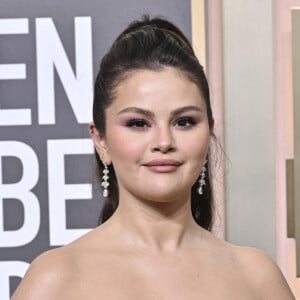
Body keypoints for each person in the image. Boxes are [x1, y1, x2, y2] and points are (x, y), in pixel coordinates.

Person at [12, 15, 295, 299]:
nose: (164, 142)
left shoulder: (256, 277)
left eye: (184, 122)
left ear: (209, 131)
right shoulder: (55, 279)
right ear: (100, 140)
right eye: (138, 123)